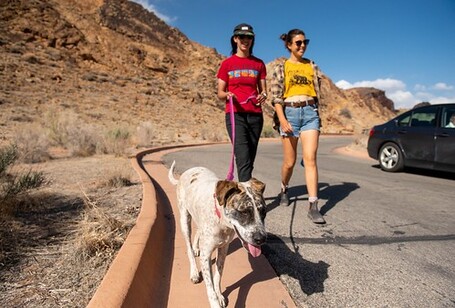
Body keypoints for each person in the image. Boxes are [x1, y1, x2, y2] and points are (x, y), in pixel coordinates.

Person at [270, 28, 325, 224]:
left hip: (310, 113)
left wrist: (317, 113)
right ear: (289, 45)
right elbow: (276, 97)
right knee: (290, 162)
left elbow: (318, 94)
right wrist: (282, 119)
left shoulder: (311, 66)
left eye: (305, 42)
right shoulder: (281, 68)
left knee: (310, 159)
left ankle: (313, 205)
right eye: (298, 43)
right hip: (290, 114)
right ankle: (284, 187)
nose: (302, 46)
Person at [216, 23, 267, 182]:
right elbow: (220, 93)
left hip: (255, 116)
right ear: (235, 39)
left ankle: (245, 190)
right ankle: (246, 198)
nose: (246, 40)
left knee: (250, 157)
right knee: (242, 155)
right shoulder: (227, 64)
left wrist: (263, 95)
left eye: (249, 37)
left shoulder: (259, 64)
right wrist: (227, 94)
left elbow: (263, 90)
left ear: (252, 40)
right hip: (235, 115)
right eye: (242, 37)